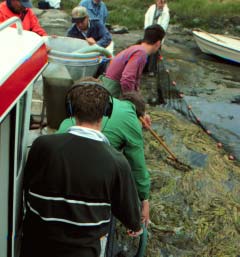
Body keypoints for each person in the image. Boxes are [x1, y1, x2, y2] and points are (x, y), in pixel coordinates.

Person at [20, 83, 142, 257]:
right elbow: (132, 218)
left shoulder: (42, 145)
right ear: (107, 111)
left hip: (35, 245)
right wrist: (135, 226)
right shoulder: (117, 162)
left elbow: (26, 187)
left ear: (70, 110)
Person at [57, 85, 151, 226]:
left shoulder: (47, 142)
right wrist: (144, 200)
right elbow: (137, 166)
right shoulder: (131, 120)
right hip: (90, 173)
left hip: (62, 160)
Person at [101, 24, 165, 98]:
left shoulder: (135, 48)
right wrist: (132, 100)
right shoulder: (141, 53)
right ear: (158, 43)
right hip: (112, 92)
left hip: (107, 86)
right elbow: (127, 78)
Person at [144, 0, 170, 75]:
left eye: (162, 2)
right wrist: (147, 30)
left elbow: (164, 26)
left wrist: (157, 35)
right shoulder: (151, 8)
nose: (160, 3)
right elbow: (147, 19)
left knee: (155, 53)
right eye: (159, 1)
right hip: (148, 33)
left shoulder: (166, 13)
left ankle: (152, 70)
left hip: (158, 35)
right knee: (146, 51)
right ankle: (145, 68)